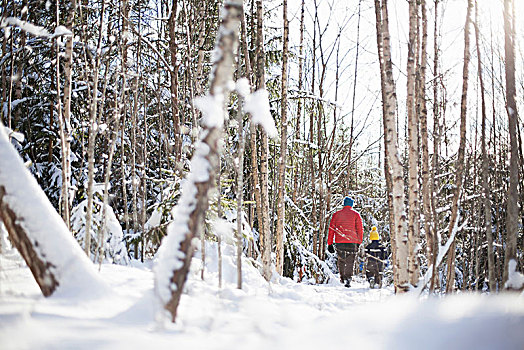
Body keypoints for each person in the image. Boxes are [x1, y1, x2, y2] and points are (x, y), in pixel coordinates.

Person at [327, 197, 363, 287]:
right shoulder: (356, 215)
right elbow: (360, 230)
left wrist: (330, 243)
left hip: (340, 242)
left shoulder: (336, 214)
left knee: (341, 260)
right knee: (350, 260)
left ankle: (343, 278)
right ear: (351, 205)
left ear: (344, 204)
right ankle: (348, 278)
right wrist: (359, 242)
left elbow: (331, 229)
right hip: (352, 241)